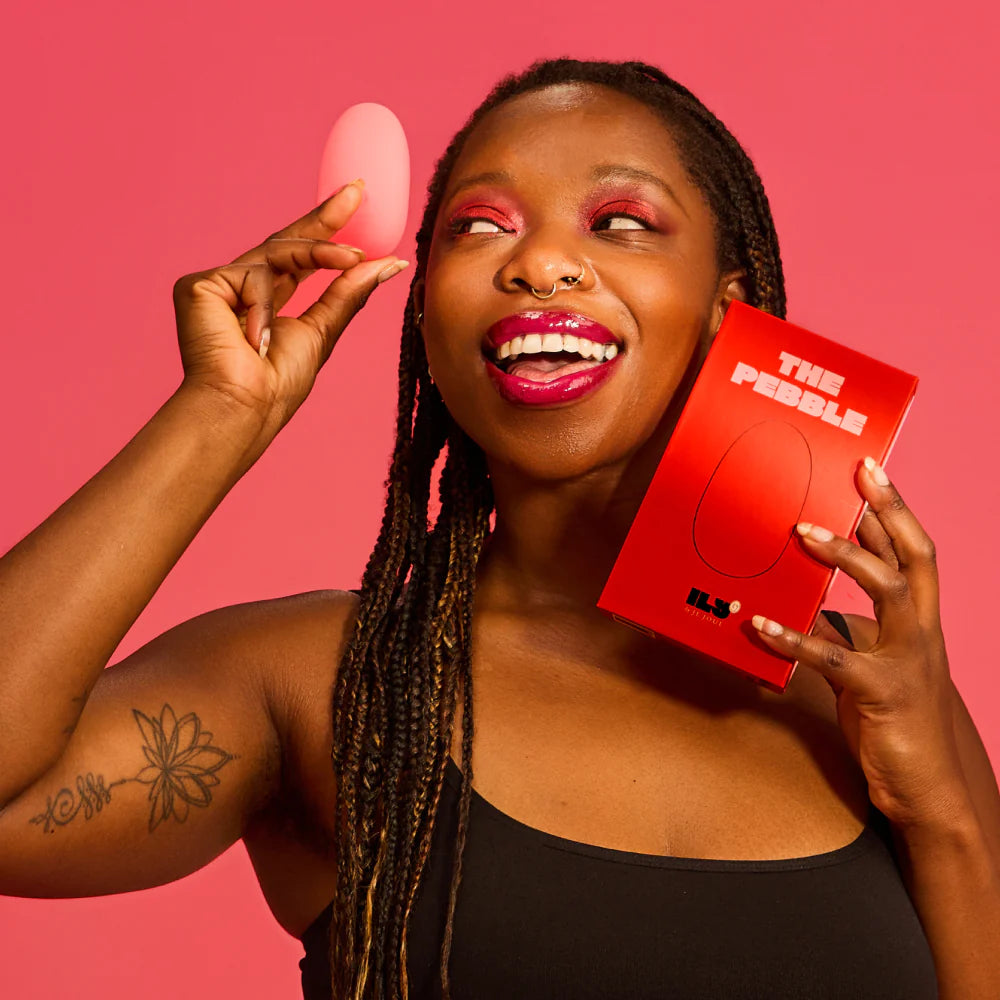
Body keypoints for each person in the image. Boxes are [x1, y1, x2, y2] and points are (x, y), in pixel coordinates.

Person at [0, 57, 997, 1000]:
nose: (542, 262)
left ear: (723, 308)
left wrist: (940, 805)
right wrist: (219, 412)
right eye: (478, 227)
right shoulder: (318, 682)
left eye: (618, 220)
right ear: (427, 323)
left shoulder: (866, 696)